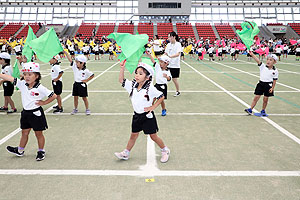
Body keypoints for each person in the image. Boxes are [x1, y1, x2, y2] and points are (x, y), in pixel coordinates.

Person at [115, 60, 170, 163]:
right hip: (136, 116)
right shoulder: (132, 85)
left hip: (147, 117)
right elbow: (121, 80)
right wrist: (122, 68)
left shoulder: (151, 88)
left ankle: (165, 150)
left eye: (141, 74)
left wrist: (152, 107)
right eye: (136, 73)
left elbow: (161, 96)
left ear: (147, 77)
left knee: (153, 136)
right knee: (133, 135)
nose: (137, 75)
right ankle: (126, 153)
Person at [0, 62, 57, 161]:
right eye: (25, 74)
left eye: (30, 74)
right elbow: (9, 78)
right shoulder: (22, 84)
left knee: (38, 133)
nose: (27, 77)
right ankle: (20, 150)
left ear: (37, 76)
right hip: (25, 113)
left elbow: (53, 96)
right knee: (24, 132)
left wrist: (44, 102)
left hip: (36, 113)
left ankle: (41, 151)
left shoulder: (40, 88)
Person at [244, 51, 278, 117]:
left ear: (274, 62)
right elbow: (257, 60)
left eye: (271, 60)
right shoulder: (262, 66)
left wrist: (272, 88)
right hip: (261, 84)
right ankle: (250, 109)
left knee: (265, 99)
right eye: (267, 59)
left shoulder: (275, 71)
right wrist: (252, 54)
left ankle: (263, 110)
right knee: (256, 97)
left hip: (268, 85)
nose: (268, 61)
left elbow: (274, 80)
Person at [146, 52, 172, 116]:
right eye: (160, 62)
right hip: (157, 85)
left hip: (163, 86)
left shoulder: (167, 71)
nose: (160, 63)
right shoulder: (157, 67)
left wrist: (166, 77)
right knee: (153, 98)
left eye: (162, 62)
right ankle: (150, 109)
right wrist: (149, 55)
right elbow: (153, 61)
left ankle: (163, 109)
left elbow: (169, 79)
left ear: (166, 63)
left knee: (161, 100)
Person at [165, 32, 181, 97]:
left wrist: (170, 57)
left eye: (169, 37)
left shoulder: (178, 44)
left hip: (175, 65)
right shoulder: (168, 45)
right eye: (168, 37)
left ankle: (178, 91)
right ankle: (163, 91)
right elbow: (165, 53)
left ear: (174, 37)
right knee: (164, 78)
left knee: (174, 79)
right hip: (168, 65)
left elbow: (178, 54)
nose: (168, 38)